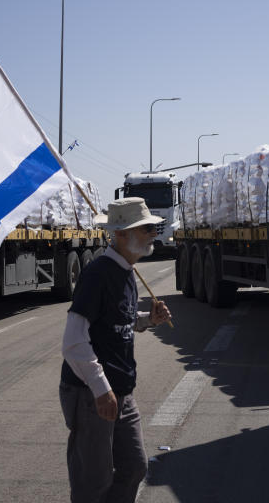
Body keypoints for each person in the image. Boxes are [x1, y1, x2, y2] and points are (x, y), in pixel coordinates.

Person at [59, 197, 173, 502]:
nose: (153, 234)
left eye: (153, 228)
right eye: (146, 228)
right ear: (121, 233)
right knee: (93, 483)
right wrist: (100, 388)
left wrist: (149, 319)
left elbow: (116, 321)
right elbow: (73, 341)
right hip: (91, 393)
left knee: (134, 466)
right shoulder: (98, 274)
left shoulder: (127, 271)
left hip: (120, 391)